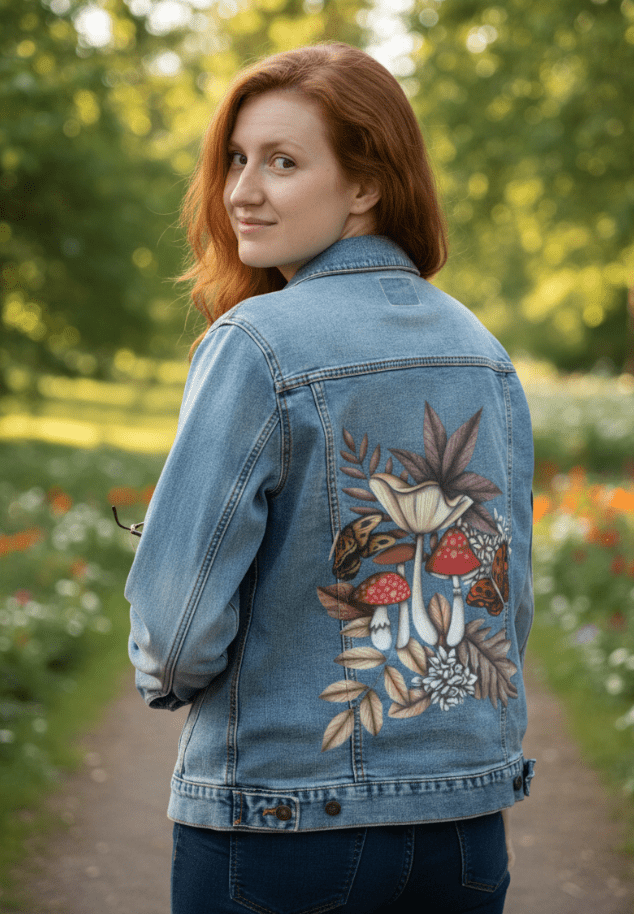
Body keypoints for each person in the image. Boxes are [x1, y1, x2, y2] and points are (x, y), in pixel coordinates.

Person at [125, 42, 535, 914]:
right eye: (236, 159)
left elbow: (178, 621)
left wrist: (164, 678)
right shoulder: (483, 352)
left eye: (282, 161)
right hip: (464, 831)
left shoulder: (258, 344)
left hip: (280, 826)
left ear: (365, 185)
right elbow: (504, 593)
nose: (242, 190)